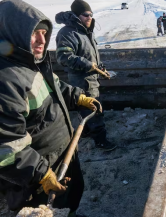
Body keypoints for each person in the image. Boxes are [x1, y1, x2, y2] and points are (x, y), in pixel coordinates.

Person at [0, 0, 99, 215]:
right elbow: (5, 147)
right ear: (14, 33)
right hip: (34, 179)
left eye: (44, 33)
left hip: (61, 157)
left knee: (71, 199)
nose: (42, 41)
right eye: (34, 33)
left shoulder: (31, 62)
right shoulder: (6, 80)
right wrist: (40, 173)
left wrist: (78, 97)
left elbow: (55, 85)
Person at [55, 0, 116, 151]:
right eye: (85, 15)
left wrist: (100, 67)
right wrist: (88, 65)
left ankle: (87, 131)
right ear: (76, 15)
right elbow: (63, 56)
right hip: (81, 80)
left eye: (91, 14)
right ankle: (101, 141)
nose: (89, 17)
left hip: (92, 78)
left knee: (85, 108)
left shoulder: (85, 31)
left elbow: (90, 55)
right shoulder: (68, 33)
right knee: (94, 109)